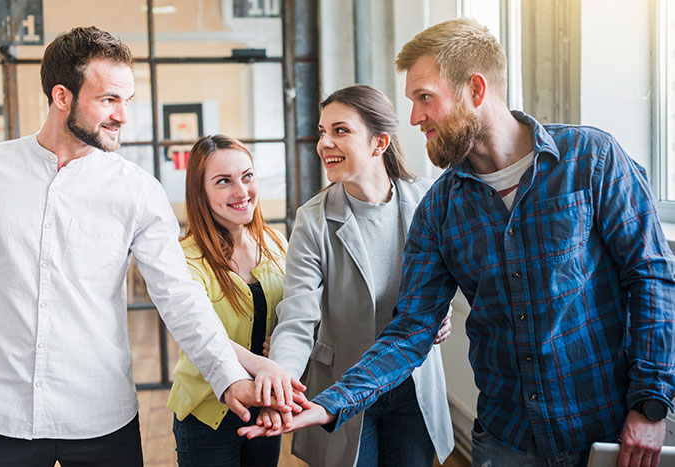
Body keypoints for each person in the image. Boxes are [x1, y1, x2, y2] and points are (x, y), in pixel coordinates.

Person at [240, 18, 675, 467]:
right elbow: (411, 331)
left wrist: (651, 402)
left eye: (424, 97)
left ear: (476, 90)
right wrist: (332, 402)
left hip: (605, 429)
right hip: (507, 439)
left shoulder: (592, 159)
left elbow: (651, 277)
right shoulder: (440, 208)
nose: (414, 118)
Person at [0, 26, 296, 466]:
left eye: (127, 100)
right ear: (61, 96)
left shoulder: (138, 192)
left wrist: (226, 378)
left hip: (100, 418)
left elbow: (180, 299)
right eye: (109, 99)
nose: (123, 115)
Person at [252, 85, 454, 467]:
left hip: (413, 384)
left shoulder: (428, 200)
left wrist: (439, 313)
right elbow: (297, 320)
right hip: (342, 385)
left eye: (340, 131)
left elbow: (450, 277)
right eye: (322, 131)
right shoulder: (312, 220)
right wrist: (280, 384)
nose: (324, 142)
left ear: (379, 143)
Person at [168, 134, 300, 466]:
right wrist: (264, 365)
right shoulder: (184, 257)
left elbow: (297, 311)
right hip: (206, 410)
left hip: (264, 405)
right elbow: (202, 333)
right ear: (201, 192)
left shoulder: (275, 243)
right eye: (224, 181)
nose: (241, 191)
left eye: (247, 176)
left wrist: (281, 352)